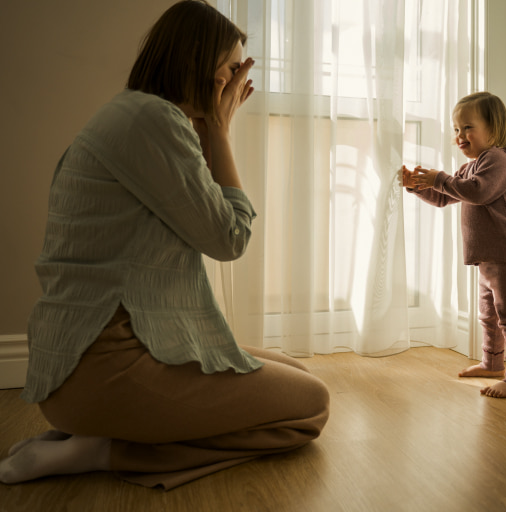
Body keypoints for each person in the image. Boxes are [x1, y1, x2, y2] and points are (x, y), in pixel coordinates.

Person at [0, 0, 329, 490]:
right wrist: (221, 131)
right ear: (198, 63)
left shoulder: (136, 115)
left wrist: (211, 130)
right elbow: (230, 237)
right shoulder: (155, 121)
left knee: (293, 371)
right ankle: (107, 450)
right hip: (106, 372)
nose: (240, 82)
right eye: (233, 68)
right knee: (312, 405)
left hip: (81, 370)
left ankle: (88, 434)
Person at [401, 92, 506, 399]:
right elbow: (444, 196)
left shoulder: (500, 160)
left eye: (468, 127)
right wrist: (417, 186)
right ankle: (492, 363)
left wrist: (439, 178)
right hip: (490, 258)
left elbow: (478, 192)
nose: (460, 136)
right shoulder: (471, 165)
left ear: (494, 128)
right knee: (489, 315)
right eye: (456, 129)